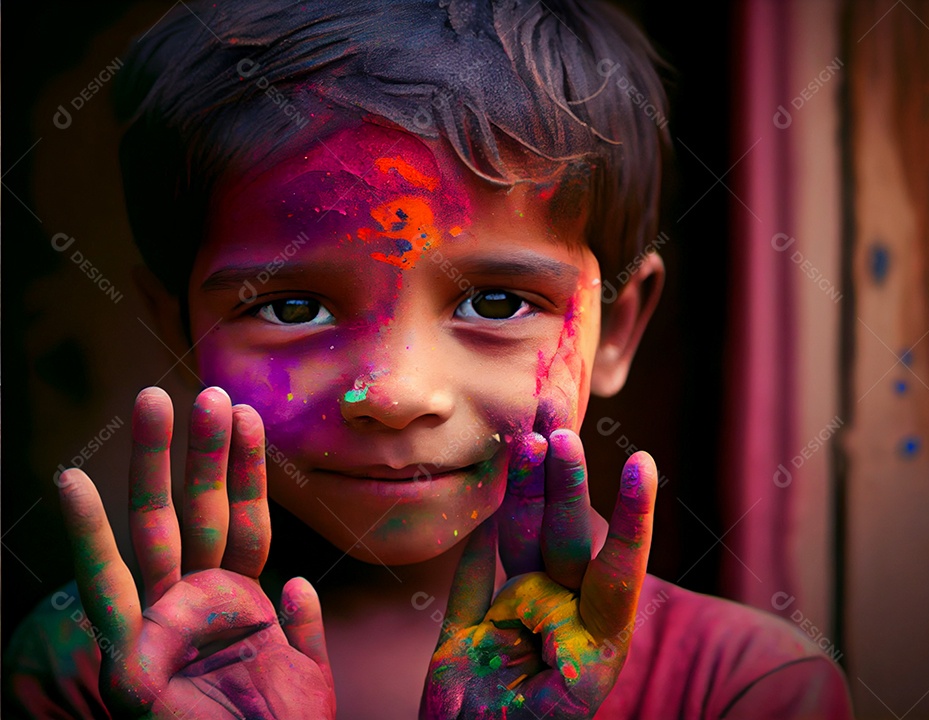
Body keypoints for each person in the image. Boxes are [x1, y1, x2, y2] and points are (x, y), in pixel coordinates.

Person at [4, 0, 856, 717]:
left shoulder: (742, 686)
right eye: (292, 307)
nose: (397, 392)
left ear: (620, 329)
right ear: (176, 330)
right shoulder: (95, 666)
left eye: (495, 303)